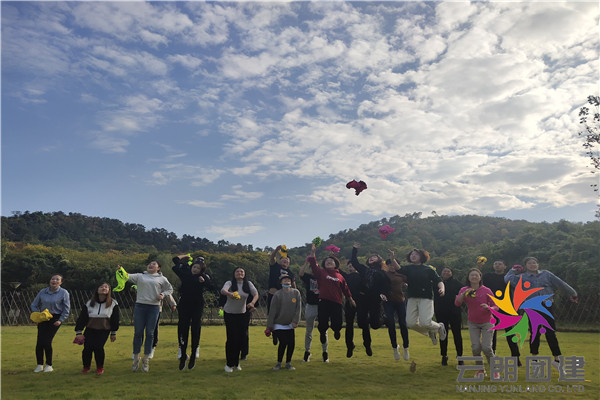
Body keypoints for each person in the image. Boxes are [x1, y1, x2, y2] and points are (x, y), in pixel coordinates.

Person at [504, 257, 578, 368]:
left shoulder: (546, 274)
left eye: (534, 263)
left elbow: (560, 283)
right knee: (535, 333)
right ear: (525, 266)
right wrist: (513, 270)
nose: (532, 265)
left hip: (546, 305)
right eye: (529, 263)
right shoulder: (522, 277)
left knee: (550, 332)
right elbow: (508, 279)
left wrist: (573, 293)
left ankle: (557, 359)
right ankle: (534, 358)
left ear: (538, 264)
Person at [308, 243, 355, 362]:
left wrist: (350, 299)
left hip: (337, 303)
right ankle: (323, 333)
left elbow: (346, 289)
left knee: (337, 323)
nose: (329, 262)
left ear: (336, 264)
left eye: (331, 261)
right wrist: (313, 253)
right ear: (324, 264)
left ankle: (337, 330)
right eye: (327, 261)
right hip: (323, 302)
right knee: (322, 324)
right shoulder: (321, 273)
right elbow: (313, 265)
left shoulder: (340, 276)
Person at [391, 249, 447, 346]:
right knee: (410, 323)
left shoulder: (428, 269)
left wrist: (442, 289)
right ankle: (431, 331)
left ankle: (439, 327)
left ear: (422, 257)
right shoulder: (409, 268)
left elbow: (439, 280)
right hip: (412, 298)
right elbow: (398, 269)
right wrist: (392, 258)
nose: (413, 255)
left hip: (426, 298)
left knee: (425, 322)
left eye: (416, 254)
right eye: (412, 254)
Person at [126, 260, 173, 372]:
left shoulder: (162, 279)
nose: (151, 265)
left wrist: (162, 294)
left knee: (150, 333)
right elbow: (126, 276)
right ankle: (136, 358)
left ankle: (146, 359)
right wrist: (120, 270)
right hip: (140, 306)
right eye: (149, 264)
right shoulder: (140, 276)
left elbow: (170, 289)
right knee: (138, 332)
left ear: (158, 268)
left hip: (154, 307)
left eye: (154, 264)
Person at [455, 268, 497, 379]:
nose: (474, 277)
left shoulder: (486, 290)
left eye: (476, 275)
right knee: (475, 348)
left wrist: (489, 307)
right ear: (468, 278)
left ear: (480, 277)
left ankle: (495, 370)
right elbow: (457, 303)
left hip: (488, 322)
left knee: (487, 347)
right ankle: (480, 370)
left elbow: (496, 306)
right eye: (471, 275)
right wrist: (463, 294)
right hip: (473, 323)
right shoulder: (464, 289)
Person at [172, 255, 212, 370]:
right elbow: (175, 262)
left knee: (195, 328)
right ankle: (183, 354)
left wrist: (204, 280)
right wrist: (185, 256)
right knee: (182, 328)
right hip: (184, 304)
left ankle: (194, 354)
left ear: (201, 270)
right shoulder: (185, 273)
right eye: (194, 266)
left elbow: (211, 286)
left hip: (197, 305)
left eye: (198, 268)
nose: (195, 269)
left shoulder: (203, 277)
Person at [349, 243, 389, 356]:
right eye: (370, 257)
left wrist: (384, 294)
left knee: (375, 325)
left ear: (379, 260)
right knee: (362, 324)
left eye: (374, 257)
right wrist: (355, 250)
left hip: (375, 299)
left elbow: (386, 285)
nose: (371, 258)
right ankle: (367, 345)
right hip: (363, 298)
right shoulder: (364, 270)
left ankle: (384, 319)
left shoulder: (382, 273)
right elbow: (354, 262)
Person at [74, 283, 120, 375]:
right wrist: (79, 332)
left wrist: (113, 333)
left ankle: (100, 368)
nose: (104, 288)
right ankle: (86, 367)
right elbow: (82, 318)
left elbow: (115, 319)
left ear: (109, 291)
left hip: (104, 330)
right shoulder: (89, 303)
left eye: (106, 287)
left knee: (98, 347)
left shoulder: (113, 303)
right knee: (87, 348)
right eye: (101, 286)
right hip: (90, 329)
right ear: (97, 289)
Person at [482, 260, 521, 366]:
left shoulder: (508, 277)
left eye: (500, 264)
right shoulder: (487, 276)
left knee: (510, 332)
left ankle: (516, 357)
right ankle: (492, 356)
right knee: (492, 333)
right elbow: (478, 282)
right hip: (492, 307)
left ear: (505, 266)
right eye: (495, 264)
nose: (497, 265)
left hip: (506, 307)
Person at [220, 266, 259, 373]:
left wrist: (252, 303)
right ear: (234, 274)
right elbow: (223, 291)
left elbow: (256, 294)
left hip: (242, 314)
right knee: (231, 339)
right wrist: (230, 294)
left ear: (244, 274)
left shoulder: (248, 284)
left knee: (240, 339)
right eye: (237, 271)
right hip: (229, 314)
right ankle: (229, 364)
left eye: (242, 271)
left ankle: (236, 363)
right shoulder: (229, 283)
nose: (240, 273)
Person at [31, 274, 71, 373]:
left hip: (55, 318)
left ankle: (49, 365)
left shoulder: (64, 292)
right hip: (43, 317)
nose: (54, 281)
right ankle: (39, 365)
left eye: (57, 279)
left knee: (47, 341)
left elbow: (66, 308)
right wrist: (37, 314)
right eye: (53, 279)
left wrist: (61, 320)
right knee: (39, 341)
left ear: (61, 282)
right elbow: (34, 304)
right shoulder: (42, 292)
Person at [267, 275, 302, 370]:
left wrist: (295, 321)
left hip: (290, 324)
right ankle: (278, 363)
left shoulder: (296, 293)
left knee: (291, 344)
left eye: (288, 279)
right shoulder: (277, 294)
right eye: (284, 279)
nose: (287, 281)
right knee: (283, 342)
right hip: (279, 323)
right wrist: (269, 326)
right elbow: (272, 311)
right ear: (281, 282)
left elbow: (298, 309)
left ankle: (288, 363)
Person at [382, 252, 410, 361]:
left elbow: (410, 282)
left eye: (394, 264)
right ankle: (395, 347)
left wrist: (406, 284)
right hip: (388, 302)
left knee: (403, 324)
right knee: (391, 324)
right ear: (387, 266)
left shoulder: (402, 275)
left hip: (400, 301)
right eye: (390, 265)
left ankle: (406, 347)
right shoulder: (384, 274)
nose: (392, 266)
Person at [434, 267, 463, 366]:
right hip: (441, 312)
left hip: (454, 312)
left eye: (448, 271)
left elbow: (465, 291)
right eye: (444, 271)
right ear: (441, 273)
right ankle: (444, 356)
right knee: (443, 334)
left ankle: (460, 356)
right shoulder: (436, 283)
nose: (446, 272)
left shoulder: (456, 283)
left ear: (451, 273)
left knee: (457, 334)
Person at [299, 260, 326, 362]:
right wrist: (306, 263)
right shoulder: (308, 277)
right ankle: (307, 352)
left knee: (323, 330)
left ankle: (325, 352)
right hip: (310, 305)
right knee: (309, 330)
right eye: (312, 268)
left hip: (322, 305)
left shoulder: (322, 277)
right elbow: (300, 273)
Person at [339, 261, 361, 358]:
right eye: (349, 265)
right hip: (349, 302)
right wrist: (334, 257)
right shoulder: (346, 277)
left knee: (362, 323)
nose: (351, 266)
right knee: (349, 325)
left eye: (353, 264)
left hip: (361, 302)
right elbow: (337, 269)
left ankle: (367, 344)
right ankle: (349, 345)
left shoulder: (361, 276)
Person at [267, 245, 295, 313]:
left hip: (285, 296)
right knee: (272, 314)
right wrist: (276, 250)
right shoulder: (275, 266)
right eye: (283, 258)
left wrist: (294, 296)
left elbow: (293, 285)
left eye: (287, 259)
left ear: (289, 262)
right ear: (280, 260)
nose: (285, 259)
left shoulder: (291, 273)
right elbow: (272, 258)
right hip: (273, 294)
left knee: (283, 315)